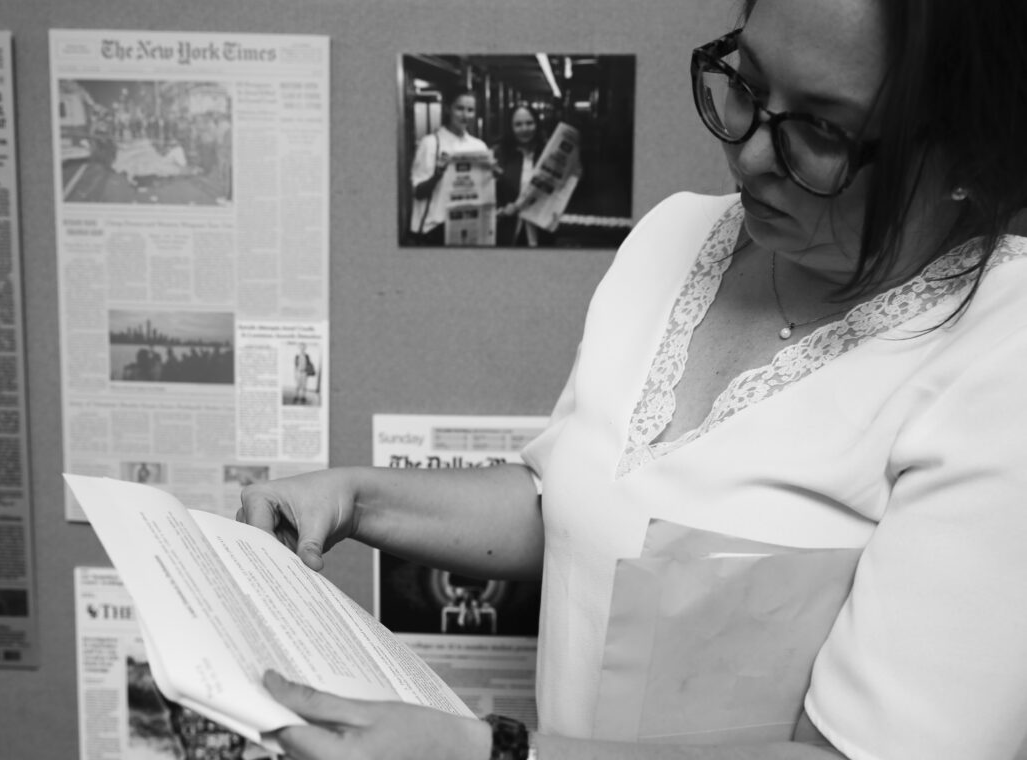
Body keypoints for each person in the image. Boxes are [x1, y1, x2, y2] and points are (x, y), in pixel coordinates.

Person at [240, 0, 1027, 758]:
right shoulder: (676, 236)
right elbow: (576, 506)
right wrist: (356, 499)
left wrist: (495, 754)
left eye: (820, 129)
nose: (750, 153)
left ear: (969, 152)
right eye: (747, 85)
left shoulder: (1002, 355)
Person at [408, 88, 493, 245]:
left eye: (470, 110)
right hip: (436, 227)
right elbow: (418, 192)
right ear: (448, 109)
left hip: (469, 224)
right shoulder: (430, 143)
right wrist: (437, 175)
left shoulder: (479, 147)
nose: (465, 115)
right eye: (459, 108)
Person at [493, 104, 551, 247]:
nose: (524, 129)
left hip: (542, 229)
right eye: (518, 124)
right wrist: (501, 210)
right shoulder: (499, 154)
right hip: (509, 231)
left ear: (537, 124)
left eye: (529, 123)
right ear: (510, 128)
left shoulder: (548, 153)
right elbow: (491, 194)